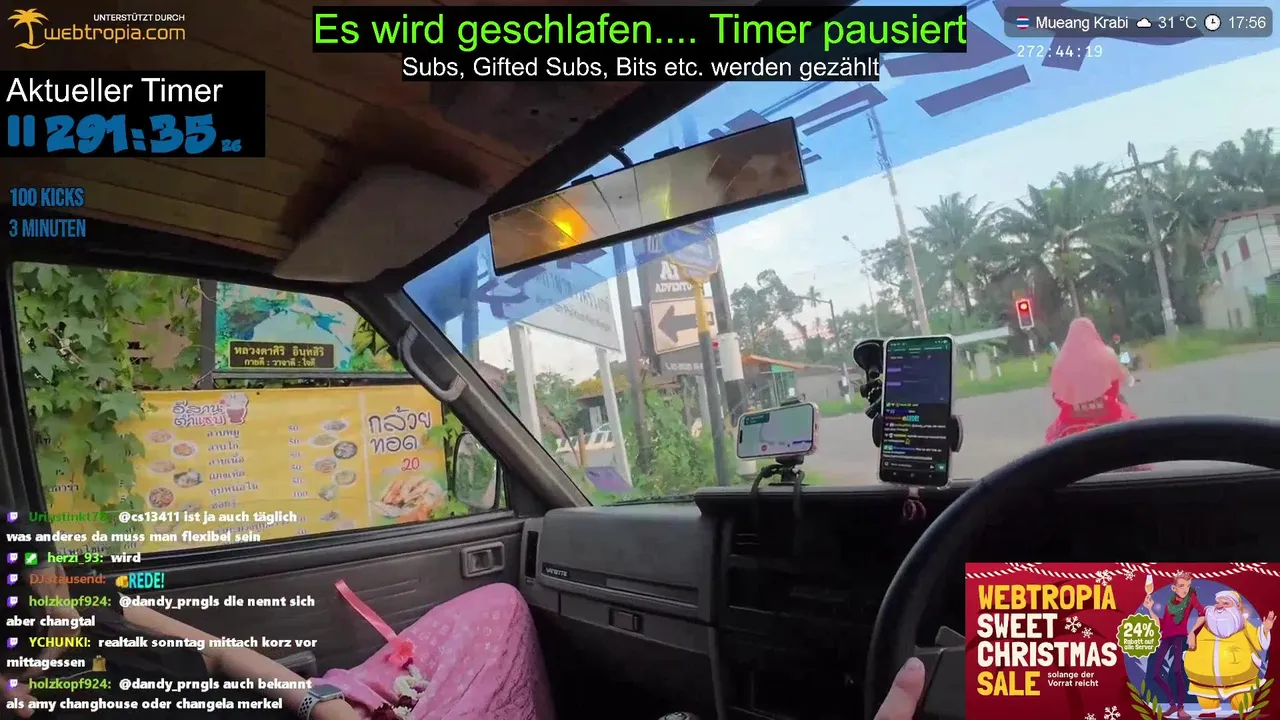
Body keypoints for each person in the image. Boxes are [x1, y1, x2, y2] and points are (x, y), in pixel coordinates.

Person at [1, 507, 553, 720]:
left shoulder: (100, 610)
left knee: (498, 606)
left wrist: (320, 705)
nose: (52, 587)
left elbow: (219, 654)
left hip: (310, 706)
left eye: (49, 573)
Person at [1044, 317, 1140, 444]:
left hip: (1071, 423)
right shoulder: (1107, 354)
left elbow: (1057, 395)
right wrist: (1130, 380)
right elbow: (1123, 377)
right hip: (1111, 417)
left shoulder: (1060, 362)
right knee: (1137, 439)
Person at [1183, 590, 1274, 717]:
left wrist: (1265, 629)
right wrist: (1192, 634)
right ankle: (1209, 711)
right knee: (1206, 696)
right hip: (1205, 679)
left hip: (1239, 676)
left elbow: (1259, 643)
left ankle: (1240, 711)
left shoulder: (1243, 624)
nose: (1219, 606)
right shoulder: (1207, 623)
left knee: (1241, 697)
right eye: (1218, 603)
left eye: (1225, 603)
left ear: (1237, 606)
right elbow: (1191, 635)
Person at [1142, 571, 1206, 718]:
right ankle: (1172, 705)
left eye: (1188, 586)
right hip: (1166, 638)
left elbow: (1203, 614)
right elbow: (1162, 625)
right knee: (1155, 673)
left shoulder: (1191, 598)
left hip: (1179, 638)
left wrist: (1192, 632)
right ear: (1174, 588)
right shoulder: (1169, 604)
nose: (1185, 589)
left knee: (1177, 671)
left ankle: (1181, 708)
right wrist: (1150, 609)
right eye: (1182, 586)